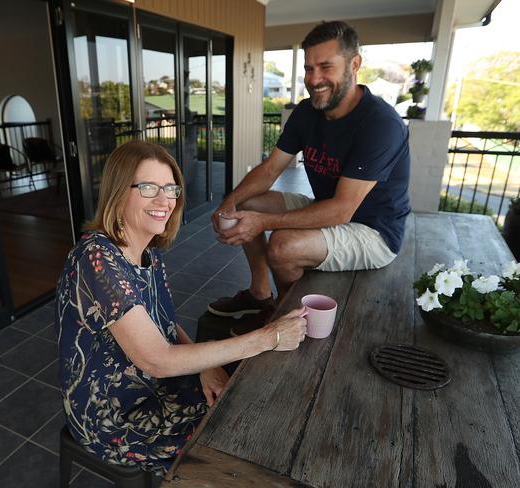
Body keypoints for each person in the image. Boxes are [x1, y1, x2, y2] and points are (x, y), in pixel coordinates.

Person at [55, 140, 307, 478]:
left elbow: (167, 327)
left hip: (152, 386)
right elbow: (156, 359)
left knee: (241, 401)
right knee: (232, 438)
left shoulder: (148, 253)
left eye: (170, 188)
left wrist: (205, 368)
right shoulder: (96, 258)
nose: (164, 200)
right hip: (111, 416)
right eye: (148, 187)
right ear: (119, 191)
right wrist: (269, 337)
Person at [209, 20, 411, 323]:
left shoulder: (380, 124)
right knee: (245, 206)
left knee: (282, 247)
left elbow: (342, 210)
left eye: (326, 67)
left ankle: (291, 319)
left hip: (374, 231)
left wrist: (262, 223)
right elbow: (269, 169)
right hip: (326, 209)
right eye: (308, 68)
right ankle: (260, 295)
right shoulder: (307, 112)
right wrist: (230, 202)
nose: (314, 79)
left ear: (354, 64)